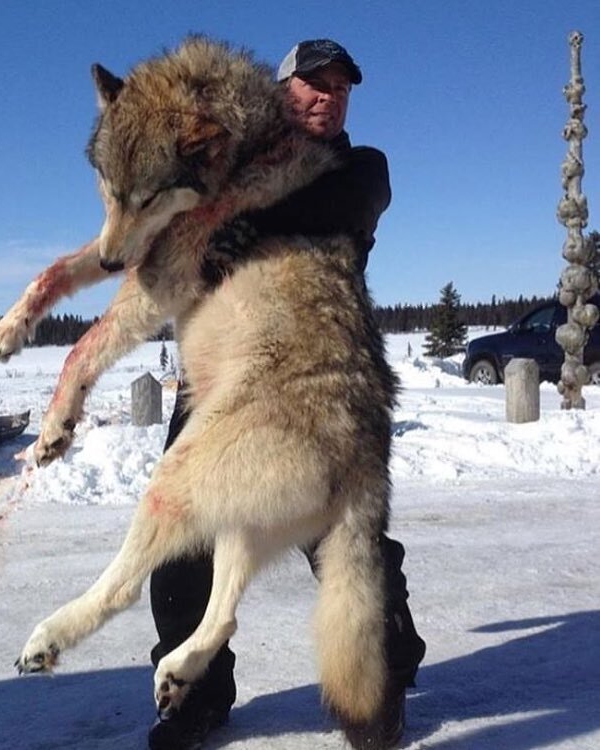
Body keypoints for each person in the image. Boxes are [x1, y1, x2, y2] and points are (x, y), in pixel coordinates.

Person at [148, 39, 426, 750]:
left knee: (347, 536)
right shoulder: (236, 158)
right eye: (313, 84)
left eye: (340, 88)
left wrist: (229, 214)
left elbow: (339, 202)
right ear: (281, 91)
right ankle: (194, 695)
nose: (327, 96)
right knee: (178, 534)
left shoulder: (361, 169)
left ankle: (380, 686)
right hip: (227, 370)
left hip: (321, 376)